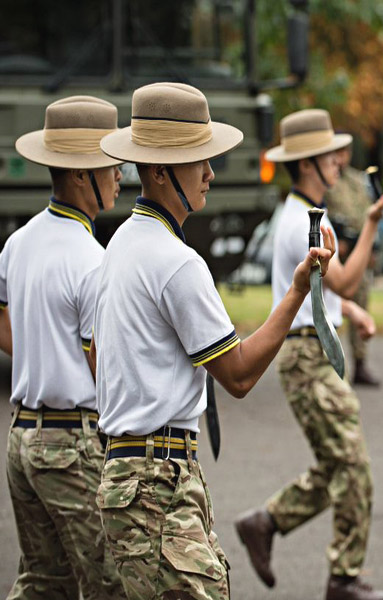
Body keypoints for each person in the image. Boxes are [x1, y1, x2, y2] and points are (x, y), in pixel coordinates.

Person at [93, 82, 334, 600]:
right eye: (197, 160)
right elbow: (240, 373)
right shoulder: (176, 260)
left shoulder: (119, 244)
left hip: (129, 475)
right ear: (158, 171)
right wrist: (294, 294)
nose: (210, 172)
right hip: (157, 482)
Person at [234, 109, 383, 600]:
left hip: (311, 352)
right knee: (352, 468)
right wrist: (371, 225)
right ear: (308, 164)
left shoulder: (306, 214)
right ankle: (342, 579)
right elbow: (342, 278)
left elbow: (324, 286)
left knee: (337, 467)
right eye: (331, 155)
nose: (339, 162)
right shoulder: (300, 222)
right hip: (307, 357)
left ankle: (265, 523)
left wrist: (351, 310)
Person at [1, 96, 124, 599]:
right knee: (110, 584)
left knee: (43, 583)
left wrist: (39, 355)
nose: (121, 174)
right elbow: (102, 364)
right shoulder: (92, 259)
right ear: (80, 175)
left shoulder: (18, 242)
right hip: (71, 444)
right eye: (110, 164)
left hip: (23, 438)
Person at [325, 139, 381, 386]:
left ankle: (360, 363)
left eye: (346, 151)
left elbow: (366, 212)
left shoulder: (359, 180)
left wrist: (372, 247)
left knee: (361, 302)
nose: (343, 156)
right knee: (333, 305)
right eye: (338, 151)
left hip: (359, 248)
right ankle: (334, 363)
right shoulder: (328, 180)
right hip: (337, 249)